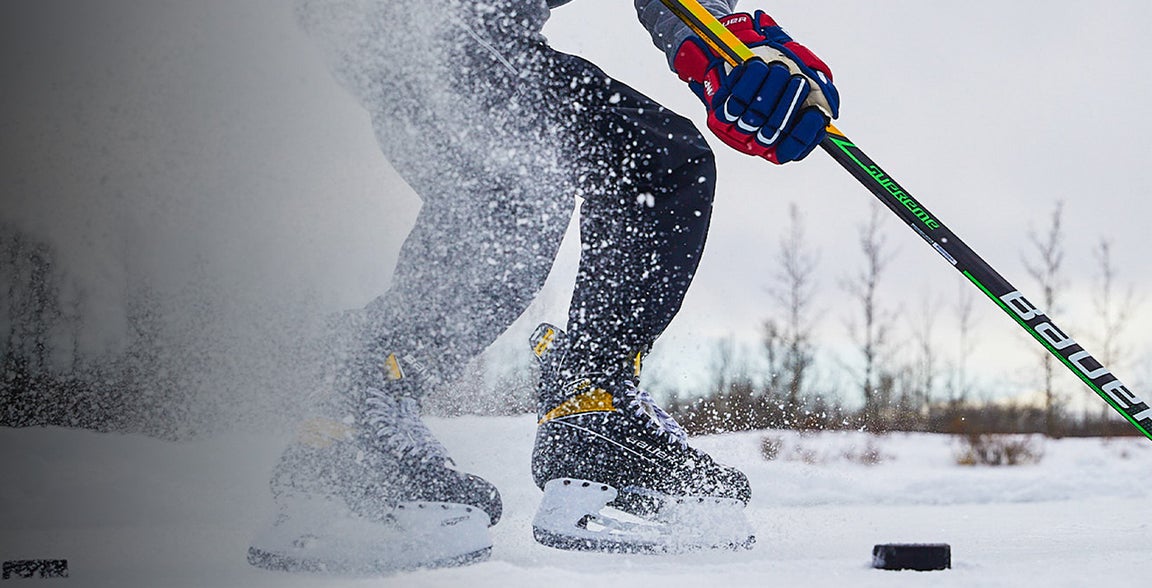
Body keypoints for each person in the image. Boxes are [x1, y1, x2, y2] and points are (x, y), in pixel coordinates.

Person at [248, 0, 839, 572]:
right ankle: (359, 420)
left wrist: (737, 47)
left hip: (471, 36)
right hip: (421, 21)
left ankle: (586, 414)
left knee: (636, 164)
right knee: (552, 168)